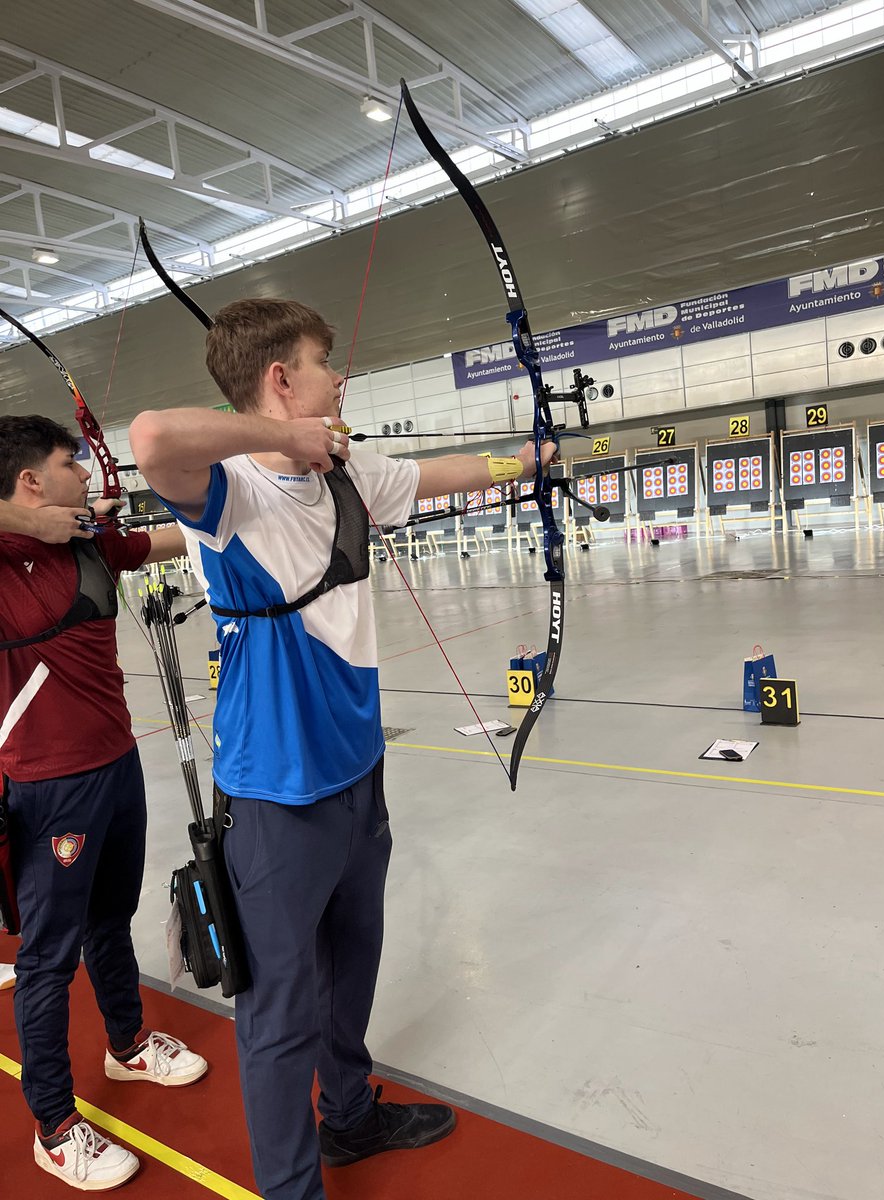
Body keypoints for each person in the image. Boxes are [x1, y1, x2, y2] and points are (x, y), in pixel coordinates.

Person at [129, 297, 556, 1200]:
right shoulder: (231, 490)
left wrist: (521, 460)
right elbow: (154, 434)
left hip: (359, 775)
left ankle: (351, 1118)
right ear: (281, 380)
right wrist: (282, 440)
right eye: (326, 363)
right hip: (277, 794)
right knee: (280, 1013)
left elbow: (433, 477)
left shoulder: (350, 471)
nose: (341, 378)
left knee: (354, 961)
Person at [0, 415, 209, 1192]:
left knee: (108, 918)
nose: (86, 476)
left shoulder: (84, 543)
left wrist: (239, 501)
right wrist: (21, 521)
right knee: (49, 960)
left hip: (116, 764)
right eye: (69, 464)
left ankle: (126, 1046)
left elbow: (165, 543)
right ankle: (53, 1127)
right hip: (48, 784)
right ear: (29, 481)